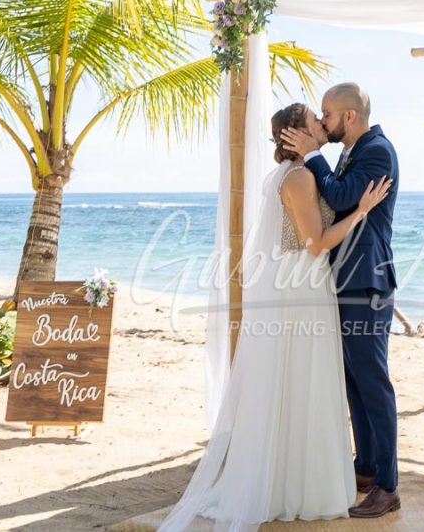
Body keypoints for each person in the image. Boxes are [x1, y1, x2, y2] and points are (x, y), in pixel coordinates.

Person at [159, 103, 391, 532]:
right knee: (303, 382)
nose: (322, 124)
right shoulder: (300, 177)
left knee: (304, 382)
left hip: (304, 284)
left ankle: (303, 475)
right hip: (302, 286)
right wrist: (361, 210)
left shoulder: (304, 172)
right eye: (314, 120)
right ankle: (297, 485)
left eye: (325, 118)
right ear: (295, 134)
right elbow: (317, 242)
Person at [281, 82, 400, 518]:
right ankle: (366, 467)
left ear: (349, 116)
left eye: (327, 114)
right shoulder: (354, 151)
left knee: (373, 382)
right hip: (346, 280)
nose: (322, 120)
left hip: (366, 282)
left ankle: (388, 485)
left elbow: (338, 196)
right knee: (353, 380)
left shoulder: (377, 151)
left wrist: (312, 155)